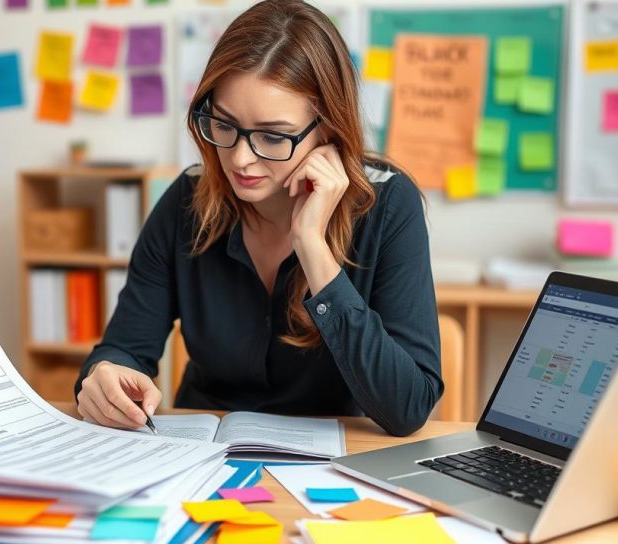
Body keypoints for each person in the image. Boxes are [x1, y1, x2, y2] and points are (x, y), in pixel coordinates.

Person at [74, 0, 442, 436]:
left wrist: (311, 244)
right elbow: (124, 348)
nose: (240, 158)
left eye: (272, 136)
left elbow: (408, 407)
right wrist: (104, 376)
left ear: (326, 128)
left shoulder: (387, 205)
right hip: (201, 452)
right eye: (224, 125)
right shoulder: (186, 201)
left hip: (334, 460)